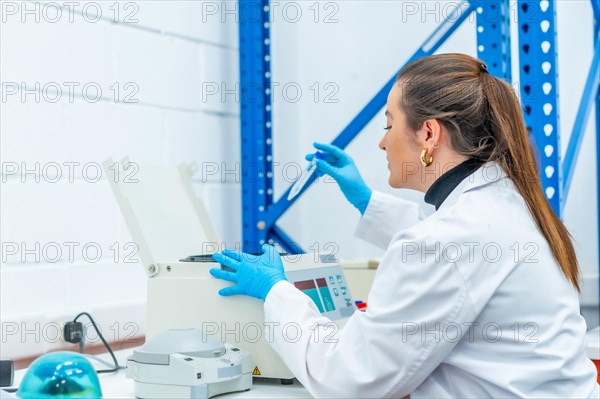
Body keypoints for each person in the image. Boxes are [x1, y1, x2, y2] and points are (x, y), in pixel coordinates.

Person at [209, 53, 600, 398]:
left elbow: (349, 380)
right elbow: (454, 252)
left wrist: (277, 292)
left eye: (388, 124)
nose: (382, 144)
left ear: (428, 134)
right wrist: (366, 200)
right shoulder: (507, 202)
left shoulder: (452, 237)